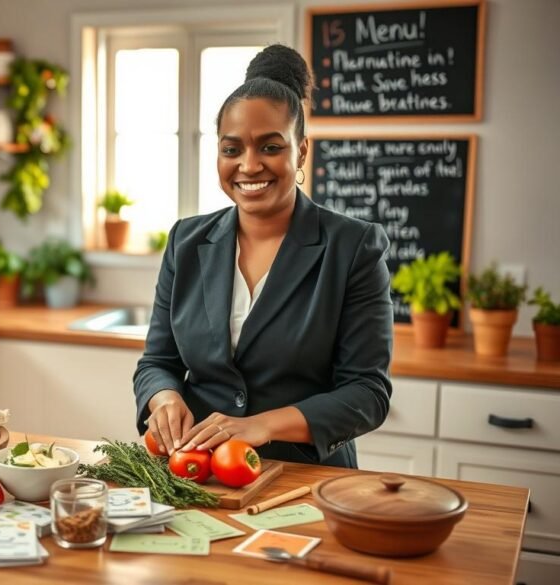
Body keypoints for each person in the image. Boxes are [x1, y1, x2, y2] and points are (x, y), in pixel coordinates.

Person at [133, 44, 392, 468]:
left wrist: (263, 425)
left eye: (270, 147)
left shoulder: (354, 247)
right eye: (231, 150)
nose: (249, 166)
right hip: (195, 471)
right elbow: (157, 362)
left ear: (302, 151)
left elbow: (368, 393)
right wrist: (163, 399)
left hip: (304, 477)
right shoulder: (186, 241)